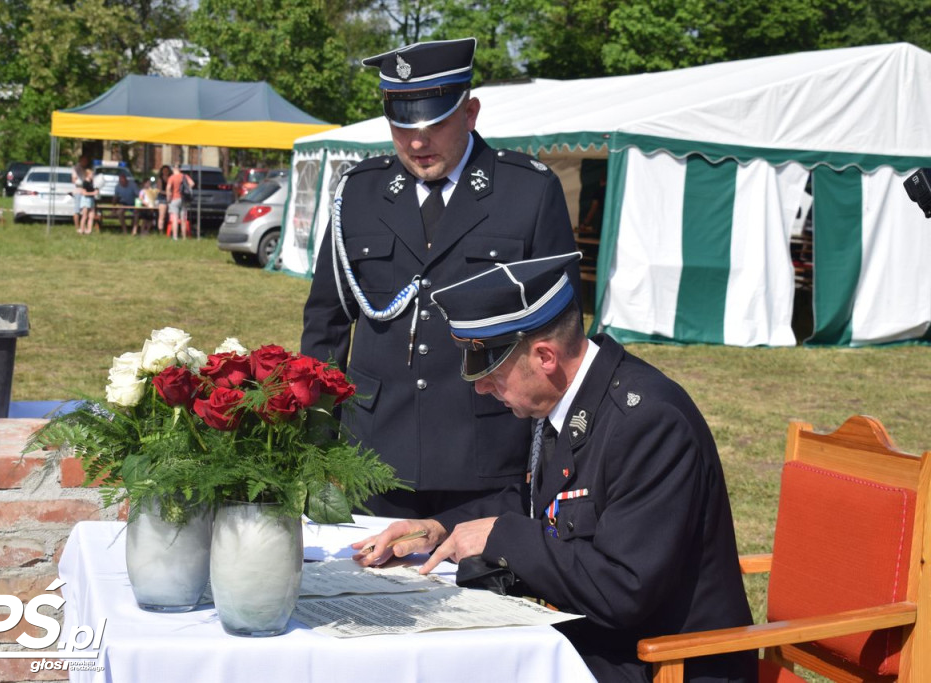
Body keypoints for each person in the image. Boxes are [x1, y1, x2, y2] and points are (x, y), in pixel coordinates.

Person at [353, 253, 757, 683]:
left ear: (545, 357)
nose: (483, 387)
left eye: (491, 370)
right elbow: (541, 502)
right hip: (598, 641)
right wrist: (437, 527)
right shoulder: (571, 398)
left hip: (666, 661)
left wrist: (501, 536)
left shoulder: (647, 422)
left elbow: (624, 589)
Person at [301, 37, 581, 518]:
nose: (415, 141)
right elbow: (326, 322)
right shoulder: (360, 194)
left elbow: (562, 333)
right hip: (372, 453)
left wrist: (554, 451)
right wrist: (317, 443)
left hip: (485, 453)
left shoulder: (527, 192)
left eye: (435, 123)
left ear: (470, 112)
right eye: (401, 125)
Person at [165, 166, 193, 240]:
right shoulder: (185, 176)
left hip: (174, 199)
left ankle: (175, 236)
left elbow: (168, 188)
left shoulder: (172, 177)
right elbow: (192, 183)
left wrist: (168, 199)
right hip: (184, 199)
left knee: (175, 219)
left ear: (174, 169)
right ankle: (184, 237)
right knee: (183, 219)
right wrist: (186, 188)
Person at [71, 155, 90, 232]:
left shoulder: (84, 169)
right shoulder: (76, 168)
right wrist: (83, 183)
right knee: (77, 210)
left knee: (84, 210)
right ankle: (77, 227)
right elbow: (74, 180)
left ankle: (82, 227)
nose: (86, 162)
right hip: (78, 191)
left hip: (84, 191)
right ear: (81, 160)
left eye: (86, 161)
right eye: (85, 161)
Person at [78, 168, 98, 235]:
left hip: (91, 200)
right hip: (86, 200)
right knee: (85, 216)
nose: (93, 175)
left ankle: (89, 230)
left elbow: (94, 189)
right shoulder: (85, 183)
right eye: (92, 174)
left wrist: (96, 190)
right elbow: (84, 193)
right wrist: (93, 193)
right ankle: (82, 229)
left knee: (91, 216)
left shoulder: (92, 182)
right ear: (88, 174)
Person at [156, 165, 172, 233]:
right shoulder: (160, 179)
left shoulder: (171, 178)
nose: (165, 172)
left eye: (167, 170)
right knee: (162, 215)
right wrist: (167, 193)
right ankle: (161, 231)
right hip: (162, 198)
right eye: (164, 170)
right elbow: (159, 190)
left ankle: (169, 230)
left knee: (169, 215)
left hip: (171, 198)